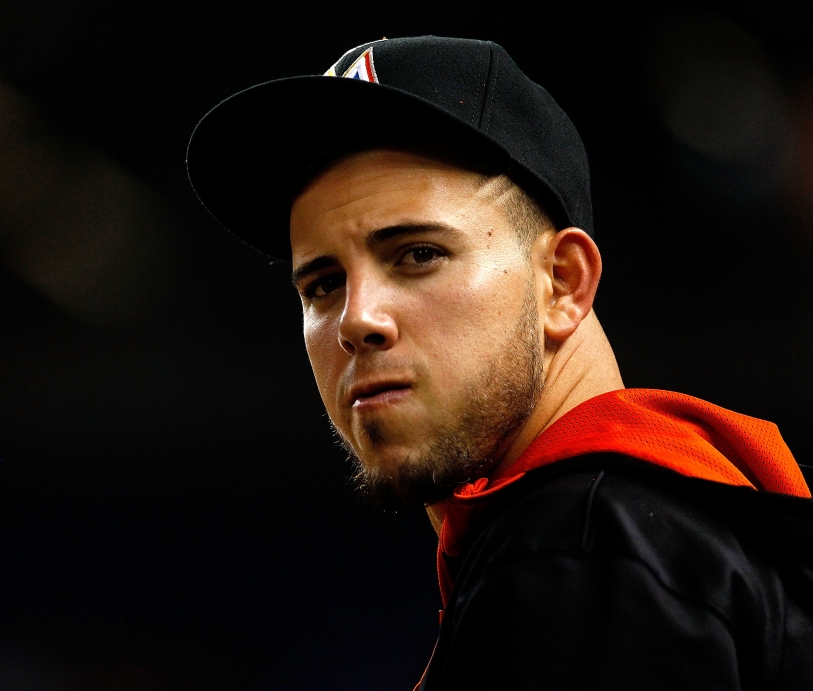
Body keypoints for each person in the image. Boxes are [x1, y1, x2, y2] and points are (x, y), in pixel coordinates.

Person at [187, 36, 813, 689]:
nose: (356, 318)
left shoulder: (579, 555)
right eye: (321, 284)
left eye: (418, 253)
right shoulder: (682, 534)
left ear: (564, 283)